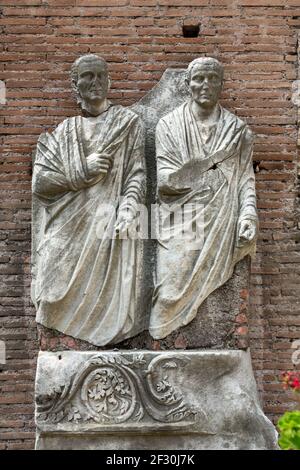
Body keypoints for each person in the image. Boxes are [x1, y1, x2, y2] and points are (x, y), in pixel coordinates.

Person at [31, 54, 146, 346]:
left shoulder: (127, 124)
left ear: (109, 81)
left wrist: (130, 208)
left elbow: (136, 174)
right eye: (87, 76)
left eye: (100, 76)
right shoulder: (62, 133)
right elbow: (40, 184)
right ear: (75, 84)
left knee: (106, 301)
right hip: (67, 227)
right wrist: (81, 172)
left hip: (108, 227)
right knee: (49, 293)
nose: (95, 82)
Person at [149, 57, 258, 339]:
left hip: (222, 223)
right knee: (167, 293)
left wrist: (248, 214)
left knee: (219, 302)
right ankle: (165, 347)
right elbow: (165, 183)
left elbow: (245, 179)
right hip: (180, 223)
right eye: (199, 79)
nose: (205, 85)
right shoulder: (169, 126)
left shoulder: (238, 131)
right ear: (187, 84)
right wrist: (206, 165)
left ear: (221, 84)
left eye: (212, 79)